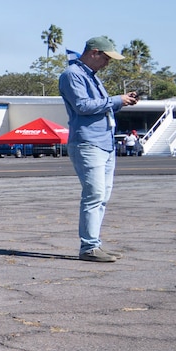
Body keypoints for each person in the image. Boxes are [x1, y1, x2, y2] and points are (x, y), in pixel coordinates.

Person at [60, 37, 138, 262]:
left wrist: (121, 102)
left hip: (104, 143)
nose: (108, 63)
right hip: (88, 142)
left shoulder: (91, 77)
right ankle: (89, 247)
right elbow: (82, 106)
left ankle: (95, 244)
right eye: (106, 58)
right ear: (94, 53)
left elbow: (100, 108)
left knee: (101, 196)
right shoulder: (72, 74)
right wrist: (116, 100)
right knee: (94, 195)